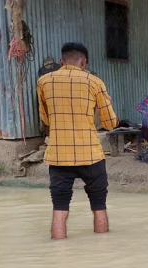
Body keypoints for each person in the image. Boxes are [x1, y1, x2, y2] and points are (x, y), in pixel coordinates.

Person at [37, 42, 118, 240]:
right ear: (84, 62)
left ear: (61, 62)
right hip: (91, 155)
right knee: (99, 207)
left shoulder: (44, 82)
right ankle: (102, 248)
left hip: (58, 157)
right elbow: (110, 124)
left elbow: (46, 119)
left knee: (59, 208)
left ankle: (58, 256)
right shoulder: (95, 82)